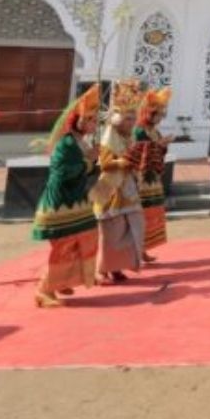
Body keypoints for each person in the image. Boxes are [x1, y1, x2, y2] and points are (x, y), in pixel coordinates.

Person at [31, 84, 102, 307]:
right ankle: (44, 290)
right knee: (64, 246)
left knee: (85, 239)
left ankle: (63, 281)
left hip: (77, 201)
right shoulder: (66, 144)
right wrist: (88, 160)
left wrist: (92, 160)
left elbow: (87, 169)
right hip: (61, 202)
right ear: (77, 120)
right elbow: (62, 172)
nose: (93, 124)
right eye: (90, 119)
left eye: (94, 119)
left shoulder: (82, 142)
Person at [91, 90, 146, 284]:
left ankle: (116, 268)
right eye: (128, 119)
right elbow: (105, 164)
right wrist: (123, 162)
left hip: (127, 189)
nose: (132, 123)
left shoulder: (126, 138)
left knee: (125, 231)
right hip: (110, 190)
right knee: (109, 234)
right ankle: (100, 271)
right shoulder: (108, 139)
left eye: (133, 119)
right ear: (118, 120)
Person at [128, 87, 173, 261]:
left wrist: (162, 145)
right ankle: (136, 250)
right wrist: (160, 144)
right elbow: (140, 152)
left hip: (153, 177)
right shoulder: (139, 131)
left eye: (162, 115)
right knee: (141, 214)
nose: (160, 118)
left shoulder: (154, 130)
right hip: (141, 178)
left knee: (152, 213)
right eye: (158, 115)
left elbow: (158, 151)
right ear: (149, 113)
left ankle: (144, 249)